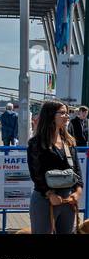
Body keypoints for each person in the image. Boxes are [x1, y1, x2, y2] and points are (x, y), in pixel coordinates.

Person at [27, 100, 83, 234]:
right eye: (62, 113)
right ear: (50, 115)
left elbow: (76, 170)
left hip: (68, 201)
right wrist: (49, 194)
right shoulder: (36, 143)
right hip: (44, 200)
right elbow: (36, 173)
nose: (67, 116)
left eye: (67, 113)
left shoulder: (68, 142)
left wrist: (78, 192)